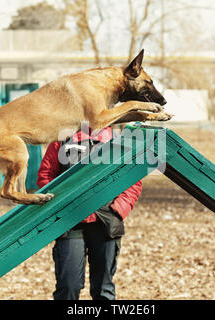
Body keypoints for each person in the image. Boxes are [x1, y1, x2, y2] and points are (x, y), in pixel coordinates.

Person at [37, 126, 142, 300]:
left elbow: (133, 181)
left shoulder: (117, 141)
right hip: (70, 223)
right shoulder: (62, 139)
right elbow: (46, 176)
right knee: (68, 287)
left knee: (103, 289)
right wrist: (60, 207)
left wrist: (117, 210)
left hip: (106, 222)